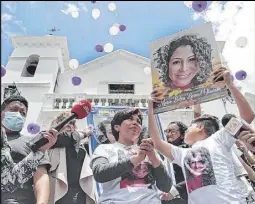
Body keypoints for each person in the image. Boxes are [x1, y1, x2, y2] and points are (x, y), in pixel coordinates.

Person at [148, 68, 255, 203]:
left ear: (200, 127)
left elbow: (247, 116)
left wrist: (230, 84)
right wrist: (151, 108)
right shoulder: (182, 153)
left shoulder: (220, 138)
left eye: (190, 126)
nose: (186, 129)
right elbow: (157, 143)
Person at [90, 108, 172, 204]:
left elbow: (166, 187)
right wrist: (135, 160)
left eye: (138, 121)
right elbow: (99, 174)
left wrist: (153, 158)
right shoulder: (104, 149)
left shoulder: (149, 150)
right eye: (130, 119)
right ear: (117, 127)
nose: (135, 123)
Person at [1, 95, 57, 204]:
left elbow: (41, 177)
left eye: (23, 113)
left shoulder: (33, 143)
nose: (18, 114)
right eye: (14, 109)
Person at [47, 112, 96, 204]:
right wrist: (84, 133)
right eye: (63, 122)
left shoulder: (83, 147)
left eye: (71, 123)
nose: (68, 125)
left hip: (81, 195)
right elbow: (65, 137)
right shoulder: (50, 141)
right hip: (58, 193)